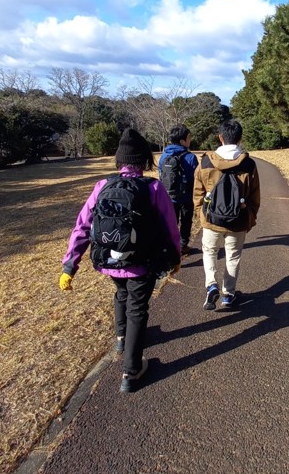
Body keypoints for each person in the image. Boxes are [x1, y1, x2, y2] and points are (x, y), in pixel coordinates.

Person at [59, 128, 181, 393]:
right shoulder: (153, 187)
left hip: (109, 261)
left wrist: (70, 265)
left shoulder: (103, 185)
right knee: (138, 307)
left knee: (121, 294)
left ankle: (121, 337)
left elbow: (82, 227)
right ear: (144, 161)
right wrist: (176, 257)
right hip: (142, 262)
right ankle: (131, 370)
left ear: (120, 161)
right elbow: (171, 228)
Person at [193, 119, 260, 310]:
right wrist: (250, 217)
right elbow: (255, 196)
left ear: (220, 137)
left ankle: (211, 284)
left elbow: (197, 191)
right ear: (240, 138)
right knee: (233, 256)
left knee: (210, 251)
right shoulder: (249, 164)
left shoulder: (206, 161)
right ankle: (228, 294)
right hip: (238, 219)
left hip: (211, 219)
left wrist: (201, 214)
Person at [158, 125, 199, 256]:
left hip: (169, 196)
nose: (190, 140)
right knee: (186, 221)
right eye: (188, 138)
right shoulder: (190, 157)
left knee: (171, 222)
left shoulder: (163, 156)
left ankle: (171, 246)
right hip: (186, 197)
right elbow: (196, 179)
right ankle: (183, 245)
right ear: (182, 141)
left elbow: (161, 175)